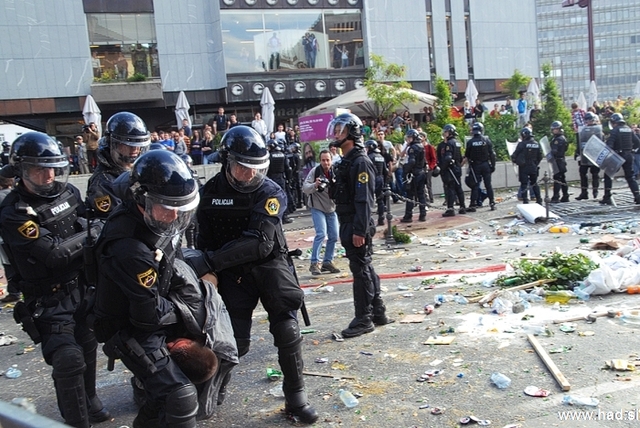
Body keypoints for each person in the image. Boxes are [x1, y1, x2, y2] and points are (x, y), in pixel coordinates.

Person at [189, 125, 318, 424]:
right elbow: (204, 239)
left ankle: (296, 399)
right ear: (227, 161)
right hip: (231, 273)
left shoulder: (271, 191)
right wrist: (209, 270)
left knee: (287, 331)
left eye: (256, 169)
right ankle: (210, 392)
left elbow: (260, 243)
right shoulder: (210, 193)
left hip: (270, 266)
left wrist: (208, 260)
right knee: (232, 340)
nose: (250, 175)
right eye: (243, 167)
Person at [0, 132, 110, 427]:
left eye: (53, 168)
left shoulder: (68, 193)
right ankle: (77, 421)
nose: (48, 175)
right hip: (48, 300)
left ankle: (91, 402)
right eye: (39, 169)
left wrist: (92, 230)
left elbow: (85, 221)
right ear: (21, 171)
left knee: (87, 346)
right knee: (67, 359)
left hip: (81, 288)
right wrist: (94, 232)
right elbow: (54, 254)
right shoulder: (14, 212)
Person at [92, 150, 203, 427]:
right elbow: (148, 315)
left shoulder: (159, 215)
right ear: (142, 200)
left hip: (155, 305)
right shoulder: (129, 247)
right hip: (131, 327)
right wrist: (185, 309)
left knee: (197, 369)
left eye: (180, 206)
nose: (175, 213)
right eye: (168, 206)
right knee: (179, 394)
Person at [326, 113, 394, 338]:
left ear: (352, 133)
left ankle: (363, 318)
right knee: (365, 267)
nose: (336, 134)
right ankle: (377, 311)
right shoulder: (346, 161)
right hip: (347, 220)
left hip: (356, 223)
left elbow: (364, 199)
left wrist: (359, 230)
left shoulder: (360, 161)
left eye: (341, 130)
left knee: (361, 270)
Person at [86, 112, 150, 219]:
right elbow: (117, 222)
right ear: (112, 143)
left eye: (138, 144)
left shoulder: (136, 170)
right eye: (128, 144)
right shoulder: (102, 183)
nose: (135, 149)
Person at [302, 149, 340, 276]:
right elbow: (304, 188)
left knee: (334, 235)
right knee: (321, 234)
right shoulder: (315, 171)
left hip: (331, 208)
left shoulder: (335, 172)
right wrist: (315, 185)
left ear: (331, 160)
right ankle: (314, 263)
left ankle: (327, 262)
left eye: (328, 160)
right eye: (323, 160)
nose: (326, 163)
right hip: (317, 207)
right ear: (320, 160)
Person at [600, 113, 640, 205]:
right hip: (629, 155)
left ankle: (607, 197)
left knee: (608, 175)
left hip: (617, 156)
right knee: (630, 177)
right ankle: (637, 196)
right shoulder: (629, 129)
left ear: (614, 122)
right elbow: (637, 142)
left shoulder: (615, 131)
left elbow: (609, 145)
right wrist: (633, 150)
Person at [464, 122, 497, 211]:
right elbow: (492, 154)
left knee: (475, 185)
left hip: (475, 165)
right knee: (488, 185)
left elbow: (467, 155)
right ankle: (492, 203)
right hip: (485, 164)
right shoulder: (486, 140)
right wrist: (493, 166)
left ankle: (473, 204)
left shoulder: (470, 142)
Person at [437, 124, 467, 217]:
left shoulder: (449, 144)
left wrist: (442, 168)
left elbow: (448, 158)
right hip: (457, 168)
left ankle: (450, 209)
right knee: (459, 188)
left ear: (450, 132)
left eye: (446, 132)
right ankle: (462, 207)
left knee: (450, 189)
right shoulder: (457, 142)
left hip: (450, 170)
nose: (444, 133)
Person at [399, 130, 427, 223]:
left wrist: (405, 170)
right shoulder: (421, 146)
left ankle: (408, 215)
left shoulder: (413, 148)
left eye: (409, 137)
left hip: (414, 174)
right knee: (421, 194)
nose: (407, 139)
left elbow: (412, 161)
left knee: (410, 195)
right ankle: (423, 214)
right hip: (421, 172)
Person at [0, 173, 20, 303]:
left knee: (9, 264)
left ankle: (14, 291)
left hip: (4, 237)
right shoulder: (16, 193)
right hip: (20, 236)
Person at [511, 127, 543, 205]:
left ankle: (525, 201)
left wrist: (515, 161)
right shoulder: (536, 144)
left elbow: (514, 155)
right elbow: (540, 156)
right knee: (534, 183)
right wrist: (535, 163)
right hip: (533, 166)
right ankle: (539, 199)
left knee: (524, 184)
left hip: (524, 167)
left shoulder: (522, 144)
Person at [576, 111, 603, 200]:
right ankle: (584, 193)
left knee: (595, 174)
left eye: (590, 120)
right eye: (587, 120)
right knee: (583, 174)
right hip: (584, 155)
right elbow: (579, 142)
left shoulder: (598, 130)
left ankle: (595, 191)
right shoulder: (583, 130)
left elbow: (602, 142)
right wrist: (577, 153)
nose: (588, 122)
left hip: (594, 155)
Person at [267, 139, 293, 224]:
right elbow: (288, 168)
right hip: (281, 178)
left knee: (272, 198)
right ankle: (284, 216)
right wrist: (289, 179)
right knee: (282, 197)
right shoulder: (283, 154)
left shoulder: (269, 155)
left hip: (271, 178)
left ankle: (274, 216)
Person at [366, 140, 390, 226]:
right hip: (380, 178)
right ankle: (381, 218)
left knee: (369, 200)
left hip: (372, 179)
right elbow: (385, 170)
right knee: (380, 200)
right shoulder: (380, 156)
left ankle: (369, 220)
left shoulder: (369, 157)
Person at [549, 121, 569, 203]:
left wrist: (549, 154)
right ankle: (565, 195)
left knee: (557, 179)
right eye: (553, 129)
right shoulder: (560, 137)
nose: (554, 130)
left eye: (556, 129)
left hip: (558, 160)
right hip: (560, 160)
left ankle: (556, 197)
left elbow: (555, 151)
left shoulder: (558, 139)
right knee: (562, 179)